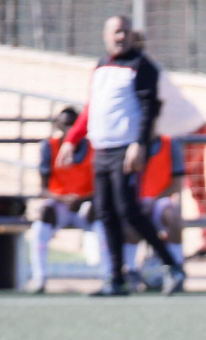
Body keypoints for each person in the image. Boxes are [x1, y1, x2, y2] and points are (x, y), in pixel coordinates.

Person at [57, 15, 185, 297]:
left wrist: (139, 144)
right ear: (105, 35)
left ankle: (172, 266)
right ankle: (115, 278)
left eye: (125, 32)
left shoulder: (142, 66)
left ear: (132, 35)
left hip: (125, 150)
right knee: (105, 213)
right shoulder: (102, 66)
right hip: (100, 150)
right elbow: (92, 107)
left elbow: (149, 110)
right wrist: (71, 139)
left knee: (128, 211)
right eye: (116, 32)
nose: (120, 37)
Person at [134, 28, 206, 260]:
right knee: (193, 189)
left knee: (173, 187)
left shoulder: (145, 70)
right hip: (186, 130)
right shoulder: (140, 68)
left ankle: (169, 246)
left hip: (189, 131)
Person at [26, 106, 92, 294]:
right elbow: (44, 188)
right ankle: (40, 277)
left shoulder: (94, 148)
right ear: (57, 126)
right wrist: (63, 199)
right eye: (65, 125)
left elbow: (102, 188)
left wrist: (81, 199)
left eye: (74, 125)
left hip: (86, 205)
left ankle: (109, 277)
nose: (69, 129)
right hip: (60, 205)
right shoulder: (49, 147)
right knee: (43, 215)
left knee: (105, 215)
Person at [120, 135, 185, 292]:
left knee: (173, 215)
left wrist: (153, 200)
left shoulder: (170, 144)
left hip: (159, 200)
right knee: (130, 221)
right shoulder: (124, 145)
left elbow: (177, 184)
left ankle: (176, 269)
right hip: (134, 202)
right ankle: (131, 271)